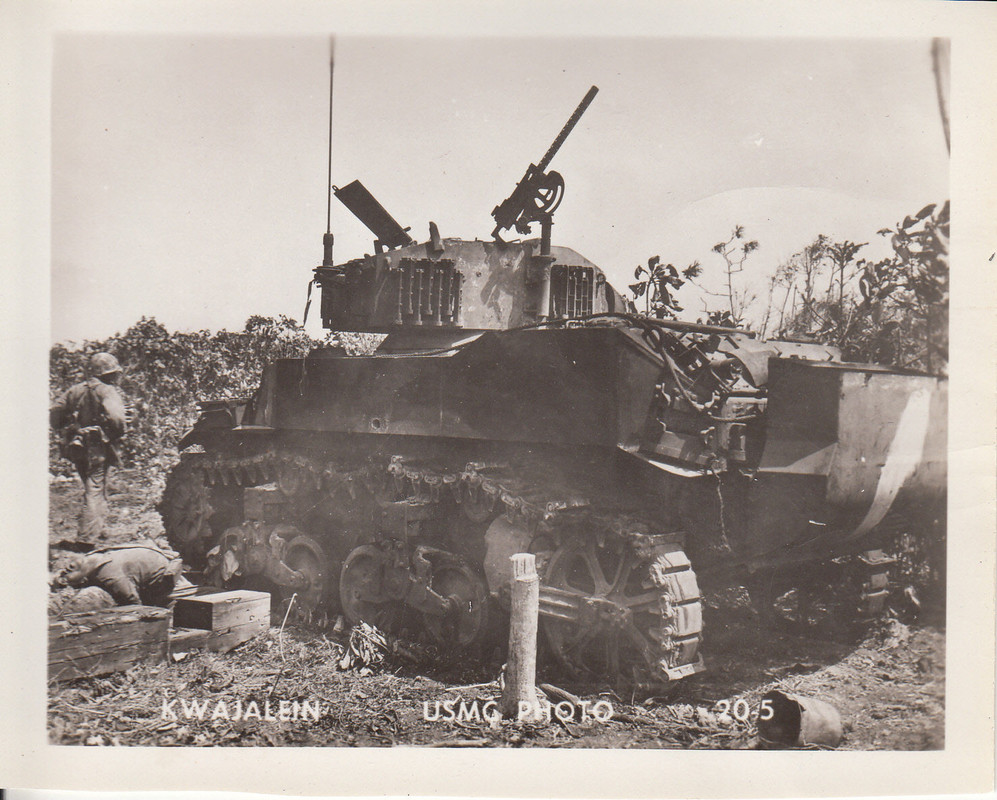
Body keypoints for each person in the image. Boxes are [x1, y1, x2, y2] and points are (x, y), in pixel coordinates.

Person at [50, 352, 128, 542]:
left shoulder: (75, 390)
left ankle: (99, 528)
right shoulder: (107, 391)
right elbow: (117, 419)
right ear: (107, 374)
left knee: (92, 485)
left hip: (77, 444)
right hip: (97, 445)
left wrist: (67, 425)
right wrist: (116, 434)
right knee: (96, 487)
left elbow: (55, 414)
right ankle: (86, 537)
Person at [57, 541, 192, 607]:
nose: (65, 570)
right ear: (82, 580)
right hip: (155, 564)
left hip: (161, 574)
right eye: (65, 577)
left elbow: (133, 602)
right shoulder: (98, 565)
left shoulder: (107, 573)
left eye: (64, 572)